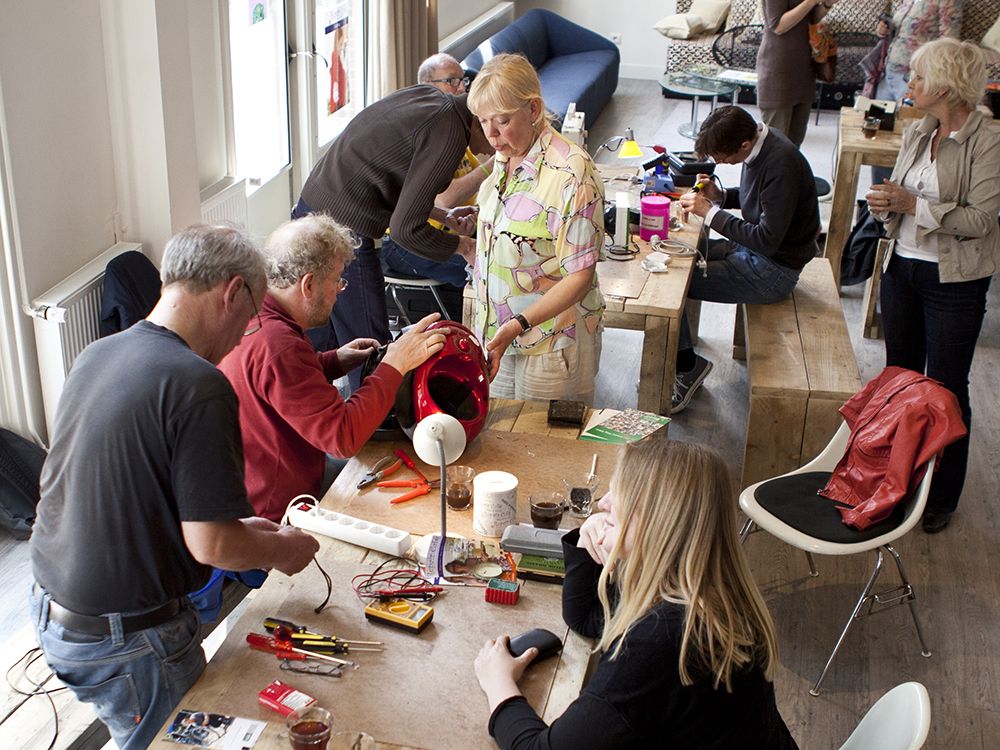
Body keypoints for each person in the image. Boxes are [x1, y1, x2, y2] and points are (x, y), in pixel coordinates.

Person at [29, 225, 320, 749]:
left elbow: (112, 489)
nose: (242, 339)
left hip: (56, 614)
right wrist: (283, 548)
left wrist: (238, 525)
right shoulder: (197, 382)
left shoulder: (100, 353)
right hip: (127, 637)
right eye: (249, 321)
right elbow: (214, 546)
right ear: (232, 292)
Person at [474, 439, 798, 749]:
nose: (602, 504)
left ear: (657, 521)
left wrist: (498, 681)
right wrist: (590, 542)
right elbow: (587, 618)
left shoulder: (663, 640)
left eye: (620, 495)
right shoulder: (706, 588)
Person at [219, 214, 451, 522]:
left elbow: (278, 385)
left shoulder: (256, 312)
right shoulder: (278, 345)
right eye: (338, 281)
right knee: (405, 510)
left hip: (258, 480)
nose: (340, 291)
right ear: (309, 284)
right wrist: (395, 365)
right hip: (278, 511)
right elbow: (342, 438)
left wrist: (332, 361)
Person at [865, 38, 999, 534]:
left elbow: (982, 220)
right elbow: (902, 202)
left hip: (955, 281)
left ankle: (940, 496)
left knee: (945, 391)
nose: (910, 84)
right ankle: (891, 483)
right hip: (903, 268)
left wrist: (909, 205)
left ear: (944, 84)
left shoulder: (990, 141)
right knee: (899, 380)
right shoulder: (920, 131)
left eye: (918, 77)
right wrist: (884, 207)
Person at [294, 82, 486, 389]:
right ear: (481, 119)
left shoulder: (434, 99)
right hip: (341, 228)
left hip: (311, 206)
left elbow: (397, 180)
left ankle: (309, 421)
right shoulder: (451, 134)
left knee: (321, 339)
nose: (494, 146)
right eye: (496, 127)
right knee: (371, 347)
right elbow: (406, 231)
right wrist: (464, 246)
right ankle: (371, 428)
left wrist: (442, 215)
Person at [467, 53, 606, 404]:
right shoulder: (504, 157)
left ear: (533, 110)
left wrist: (519, 324)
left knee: (548, 449)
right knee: (499, 442)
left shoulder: (572, 174)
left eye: (502, 120)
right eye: (484, 121)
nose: (492, 134)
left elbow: (579, 276)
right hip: (497, 333)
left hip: (553, 340)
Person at [673, 106, 820, 414]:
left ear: (743, 144)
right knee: (676, 253)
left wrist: (710, 212)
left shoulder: (781, 162)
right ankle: (684, 353)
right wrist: (721, 196)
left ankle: (686, 367)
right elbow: (764, 203)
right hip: (755, 253)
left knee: (674, 284)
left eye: (721, 156)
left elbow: (766, 239)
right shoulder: (762, 144)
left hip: (772, 271)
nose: (718, 162)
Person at [381, 53, 496, 294]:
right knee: (491, 270)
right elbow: (444, 199)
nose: (462, 88)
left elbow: (474, 188)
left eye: (463, 81)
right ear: (427, 87)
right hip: (410, 242)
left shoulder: (454, 125)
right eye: (452, 81)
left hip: (451, 226)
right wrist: (493, 165)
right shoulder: (435, 135)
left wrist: (477, 212)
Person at [862, 0, 964, 183]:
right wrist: (883, 31)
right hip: (888, 75)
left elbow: (949, 46)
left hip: (915, 82)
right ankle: (877, 199)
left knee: (908, 144)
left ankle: (897, 200)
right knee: (877, 136)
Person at [757, 0, 839, 148]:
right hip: (779, 69)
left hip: (805, 69)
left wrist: (827, 4)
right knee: (775, 146)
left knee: (795, 144)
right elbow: (778, 26)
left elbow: (810, 18)